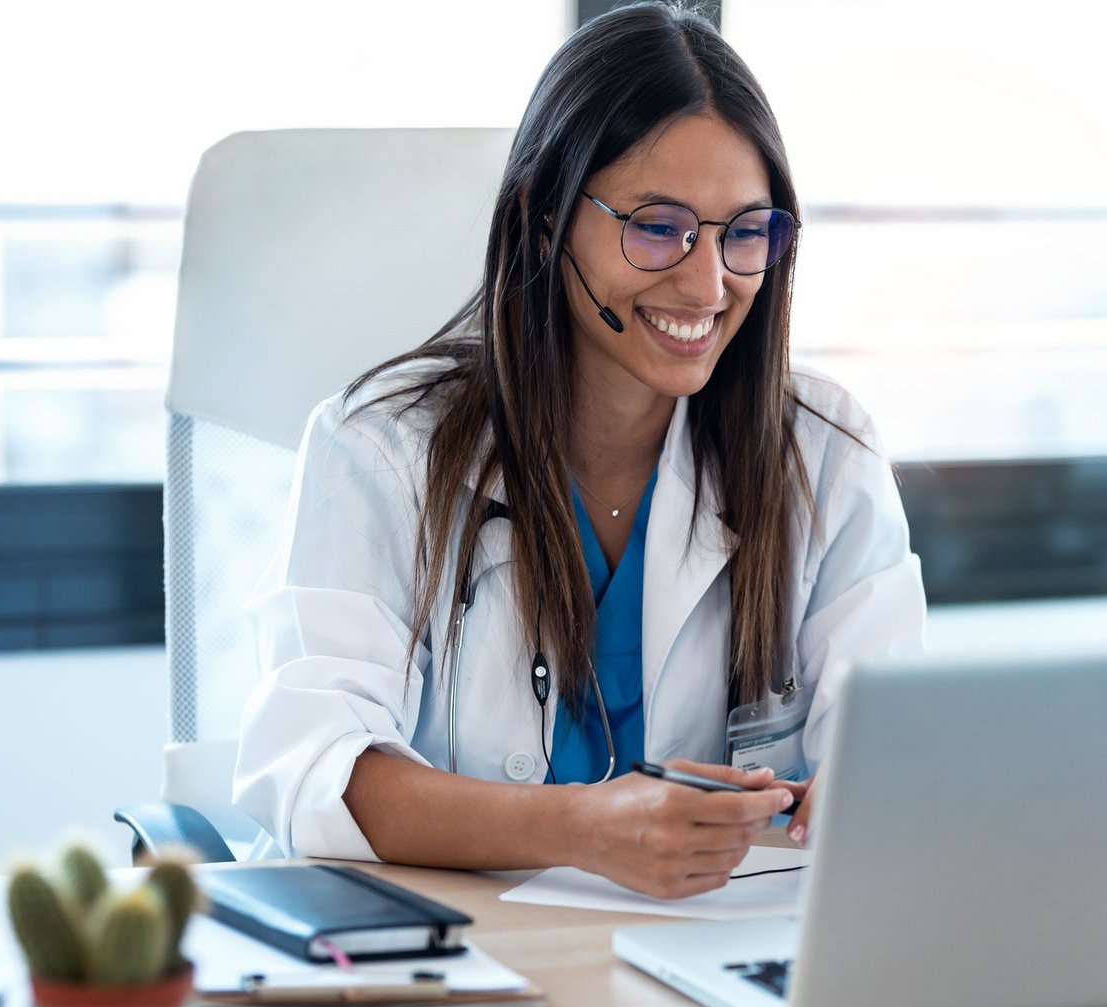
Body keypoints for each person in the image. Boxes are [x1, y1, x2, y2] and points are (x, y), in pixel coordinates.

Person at [233, 1, 926, 899]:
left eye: (744, 233)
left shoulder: (823, 453)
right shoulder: (382, 450)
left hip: (714, 977)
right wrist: (586, 829)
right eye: (656, 224)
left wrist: (874, 795)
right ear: (545, 218)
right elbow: (315, 771)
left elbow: (897, 739)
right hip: (457, 969)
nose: (708, 282)